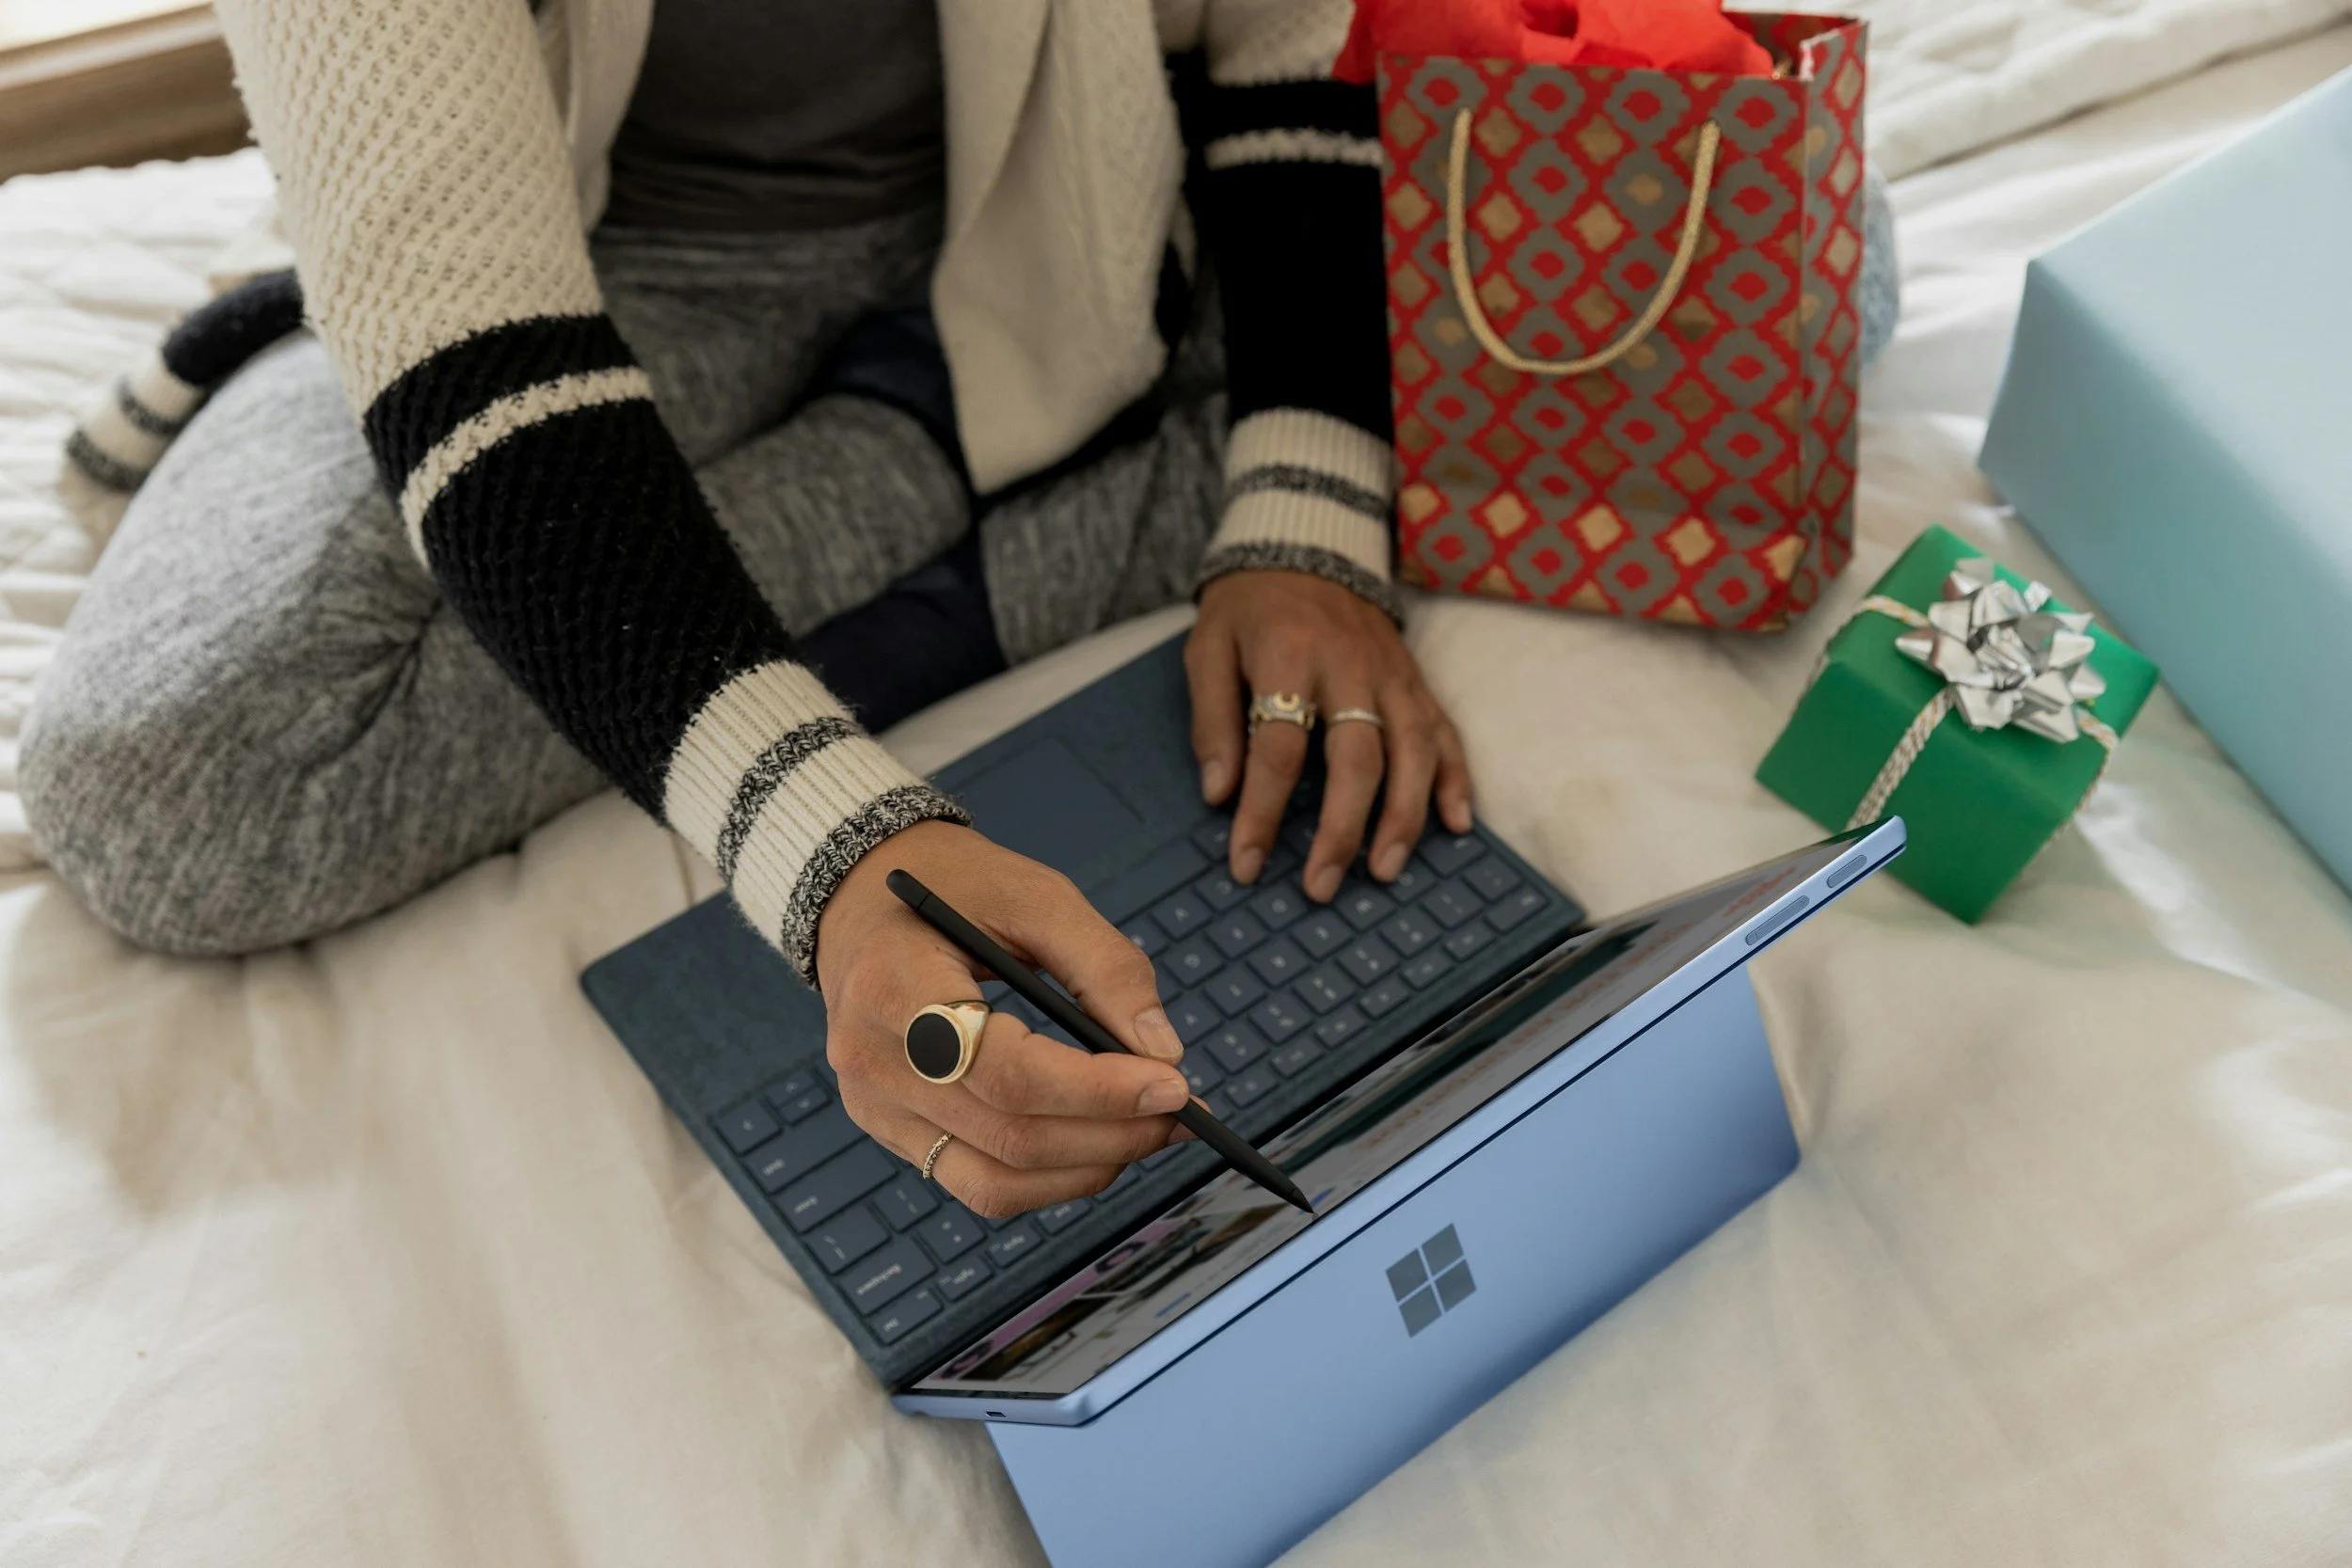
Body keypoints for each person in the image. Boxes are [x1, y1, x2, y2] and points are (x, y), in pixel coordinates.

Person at [26, 0, 1896, 1221]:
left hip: (1086, 194)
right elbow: (478, 357)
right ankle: (956, 450)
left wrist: (1309, 515)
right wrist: (844, 856)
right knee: (169, 791)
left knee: (1800, 280)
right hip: (591, 260)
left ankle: (991, 428)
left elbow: (1286, 33)